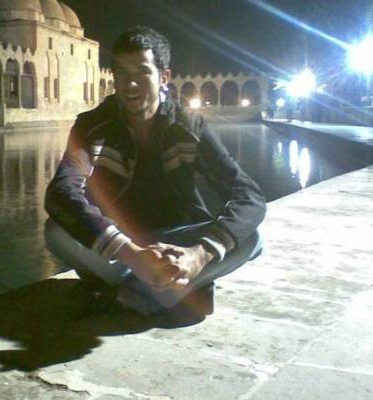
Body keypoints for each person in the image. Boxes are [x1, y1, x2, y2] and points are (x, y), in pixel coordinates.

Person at [44, 26, 266, 326]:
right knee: (55, 231)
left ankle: (134, 292)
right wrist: (132, 253)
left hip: (176, 241)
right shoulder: (93, 126)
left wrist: (198, 254)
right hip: (121, 246)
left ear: (164, 77)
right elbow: (61, 192)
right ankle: (166, 293)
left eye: (142, 72)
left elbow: (248, 195)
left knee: (253, 237)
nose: (130, 84)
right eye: (121, 73)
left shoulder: (189, 127)